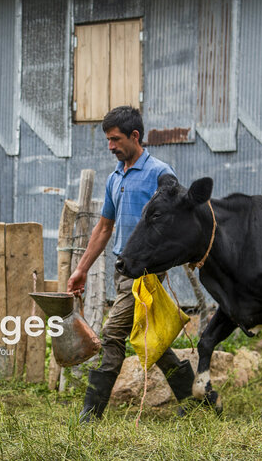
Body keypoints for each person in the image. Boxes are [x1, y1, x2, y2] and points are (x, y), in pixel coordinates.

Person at [67, 106, 194, 423]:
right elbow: (103, 228)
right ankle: (199, 398)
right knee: (153, 340)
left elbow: (177, 217)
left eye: (115, 139)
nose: (110, 146)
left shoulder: (159, 173)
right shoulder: (114, 178)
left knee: (112, 335)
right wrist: (81, 268)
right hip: (122, 270)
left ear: (135, 136)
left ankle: (91, 414)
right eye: (108, 140)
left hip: (146, 274)